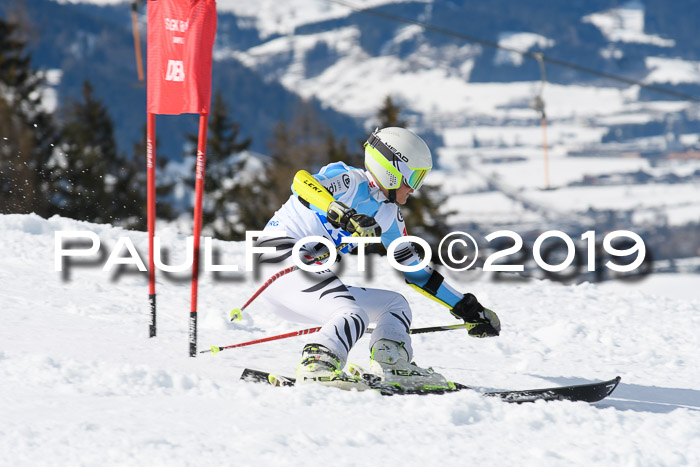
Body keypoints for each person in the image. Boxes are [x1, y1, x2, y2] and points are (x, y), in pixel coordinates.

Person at [254, 127, 500, 392]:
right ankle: (317, 364)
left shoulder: (389, 215)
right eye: (415, 179)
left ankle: (392, 365)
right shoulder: (349, 181)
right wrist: (343, 214)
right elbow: (301, 183)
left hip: (301, 288)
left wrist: (465, 307)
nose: (415, 189)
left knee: (394, 306)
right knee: (352, 313)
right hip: (276, 262)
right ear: (392, 171)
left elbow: (415, 271)